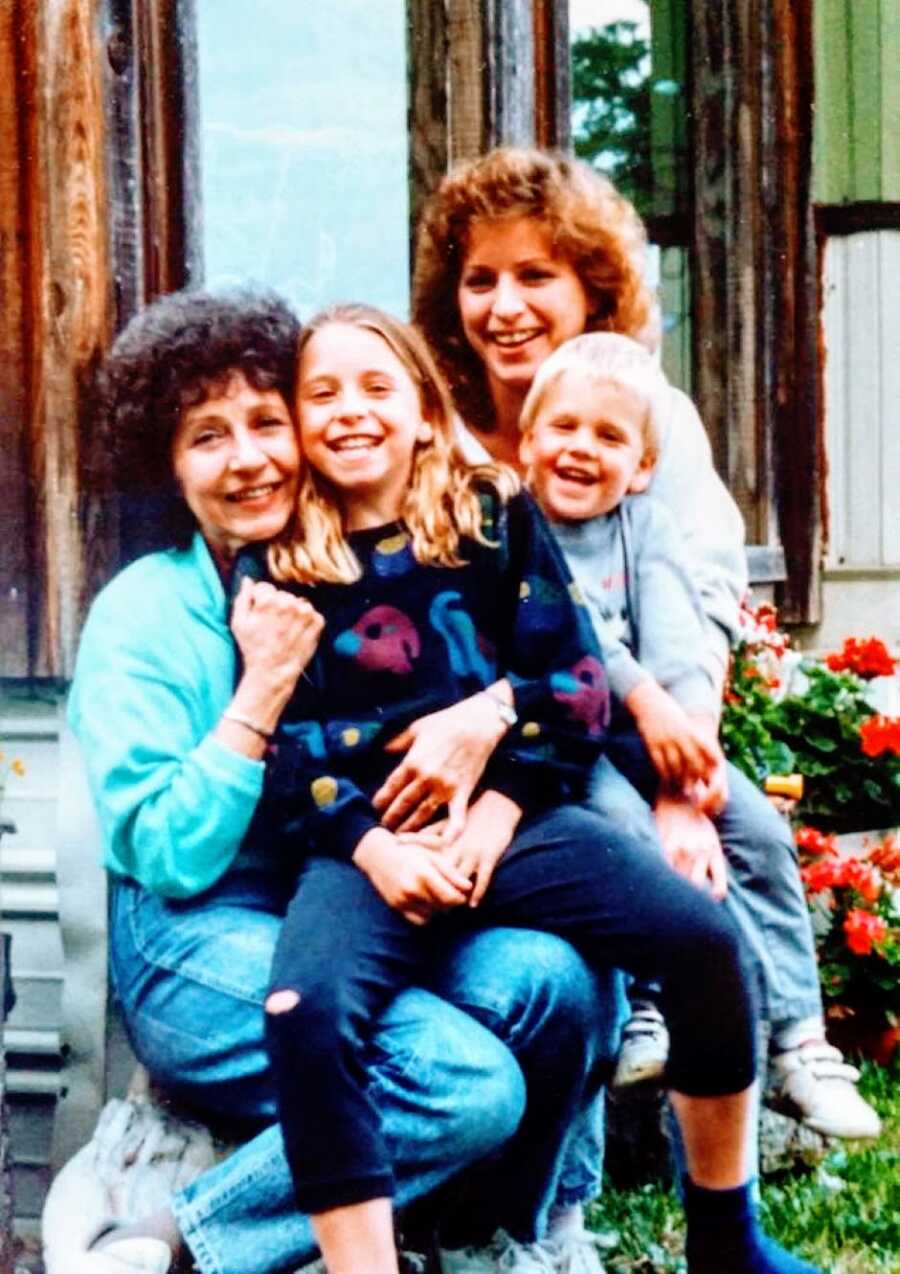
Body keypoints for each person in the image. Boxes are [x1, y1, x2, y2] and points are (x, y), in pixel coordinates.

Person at [247, 300, 822, 1274]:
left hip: (518, 823)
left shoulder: (490, 515)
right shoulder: (279, 564)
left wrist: (502, 793)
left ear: (425, 408)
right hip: (367, 846)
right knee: (304, 1009)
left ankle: (727, 1239)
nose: (351, 410)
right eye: (323, 393)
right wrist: (377, 849)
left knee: (704, 940)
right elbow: (287, 749)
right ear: (297, 422)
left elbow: (580, 680)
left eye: (377, 386)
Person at [66, 289, 624, 1274]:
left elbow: (536, 676)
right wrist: (264, 687)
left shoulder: (347, 565)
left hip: (344, 904)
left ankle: (496, 1239)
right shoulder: (145, 612)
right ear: (170, 462)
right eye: (207, 437)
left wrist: (489, 721)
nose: (247, 459)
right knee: (460, 1082)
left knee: (556, 985)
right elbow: (169, 853)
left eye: (266, 423)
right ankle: (179, 1236)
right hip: (200, 933)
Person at [412, 144, 878, 1139]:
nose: (505, 305)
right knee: (616, 845)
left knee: (735, 833)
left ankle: (789, 1050)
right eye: (481, 278)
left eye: (537, 275)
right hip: (503, 759)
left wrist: (685, 778)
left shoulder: (641, 416)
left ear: (592, 287)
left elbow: (691, 592)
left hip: (628, 726)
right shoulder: (435, 430)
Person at [517, 331, 881, 1140]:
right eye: (565, 428)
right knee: (623, 834)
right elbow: (567, 632)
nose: (582, 449)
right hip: (571, 740)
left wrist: (689, 758)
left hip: (661, 733)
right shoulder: (518, 527)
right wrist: (646, 703)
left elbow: (679, 632)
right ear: (529, 442)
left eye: (610, 437)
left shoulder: (645, 525)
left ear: (642, 466)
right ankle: (648, 1012)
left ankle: (798, 1041)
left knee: (753, 828)